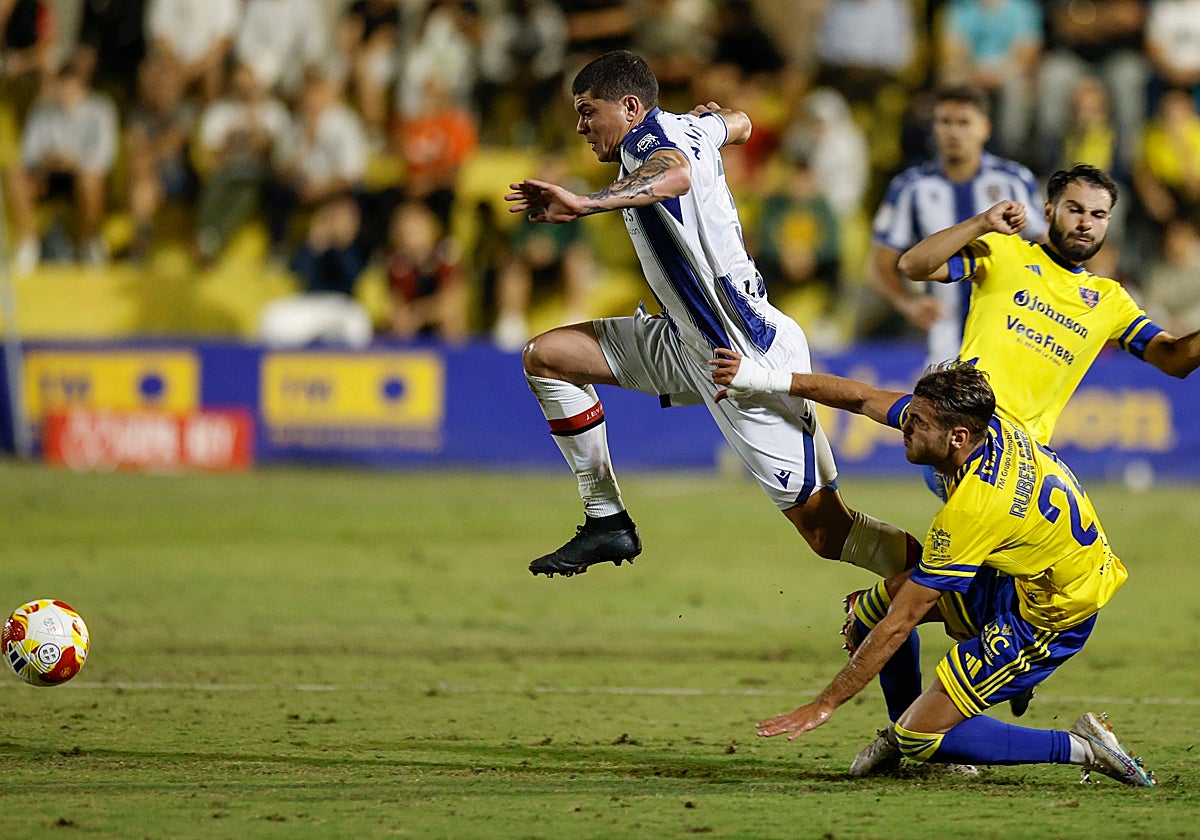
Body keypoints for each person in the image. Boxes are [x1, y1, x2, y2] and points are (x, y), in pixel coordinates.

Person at [504, 50, 921, 581]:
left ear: (630, 108)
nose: (581, 126)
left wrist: (586, 204)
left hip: (738, 356)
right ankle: (605, 517)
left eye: (589, 111)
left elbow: (673, 174)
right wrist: (721, 123)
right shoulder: (691, 125)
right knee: (547, 357)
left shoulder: (649, 146)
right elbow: (740, 123)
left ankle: (946, 585)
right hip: (686, 338)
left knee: (827, 532)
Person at [711, 354, 1157, 787]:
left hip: (1049, 615)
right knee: (867, 614)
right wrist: (760, 377)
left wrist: (825, 704)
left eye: (918, 424)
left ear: (958, 437)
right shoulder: (985, 426)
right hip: (1017, 575)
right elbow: (863, 398)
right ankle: (911, 734)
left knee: (918, 730)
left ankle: (1083, 746)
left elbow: (901, 623)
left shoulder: (971, 511)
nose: (905, 426)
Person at [898, 163, 1200, 448]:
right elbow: (913, 265)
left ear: (1107, 222)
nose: (1085, 223)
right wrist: (980, 223)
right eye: (1075, 210)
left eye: (1097, 215)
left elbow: (1173, 359)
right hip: (965, 433)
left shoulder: (1112, 300)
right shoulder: (1004, 252)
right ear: (1048, 211)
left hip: (1023, 454)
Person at [871, 84, 1045, 369]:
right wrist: (907, 304)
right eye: (944, 122)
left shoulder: (1014, 180)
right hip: (943, 337)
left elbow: (1046, 246)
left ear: (985, 128)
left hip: (1009, 332)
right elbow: (880, 264)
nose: (952, 132)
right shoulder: (910, 186)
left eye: (964, 122)